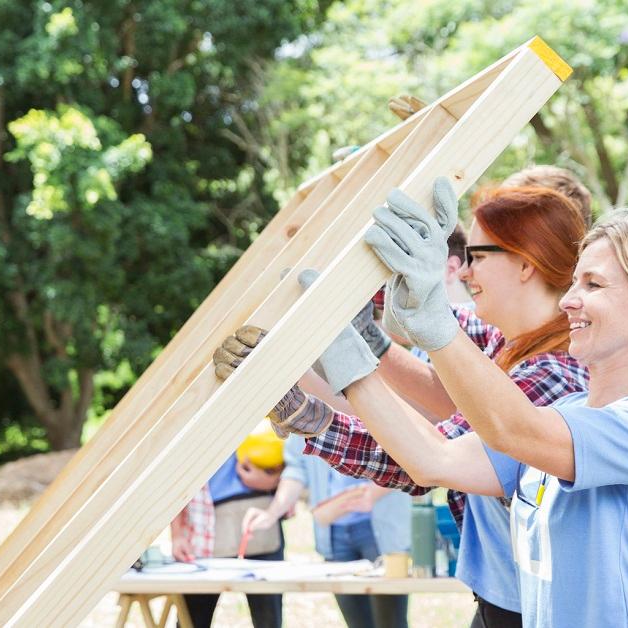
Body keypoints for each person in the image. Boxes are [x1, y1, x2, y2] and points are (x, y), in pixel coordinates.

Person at [352, 187, 628, 626]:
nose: (568, 300)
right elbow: (432, 459)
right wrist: (347, 360)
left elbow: (515, 428)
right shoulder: (570, 411)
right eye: (575, 281)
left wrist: (433, 320)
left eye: (593, 284)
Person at [213, 185, 590, 627]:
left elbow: (426, 457)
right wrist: (347, 256)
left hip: (534, 612)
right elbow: (440, 377)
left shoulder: (552, 379)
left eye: (479, 256)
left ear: (526, 264)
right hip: (502, 600)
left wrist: (309, 415)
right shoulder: (505, 344)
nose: (464, 272)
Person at [242, 438, 411, 628]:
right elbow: (296, 471)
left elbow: (408, 458)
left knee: (391, 623)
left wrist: (372, 494)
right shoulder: (305, 415)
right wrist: (271, 513)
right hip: (334, 535)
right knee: (358, 623)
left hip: (380, 530)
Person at [170, 426, 288, 628]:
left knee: (268, 621)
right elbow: (173, 481)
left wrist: (272, 480)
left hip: (259, 527)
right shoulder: (186, 424)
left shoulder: (259, 409)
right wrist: (177, 534)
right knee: (192, 621)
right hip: (202, 533)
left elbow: (294, 465)